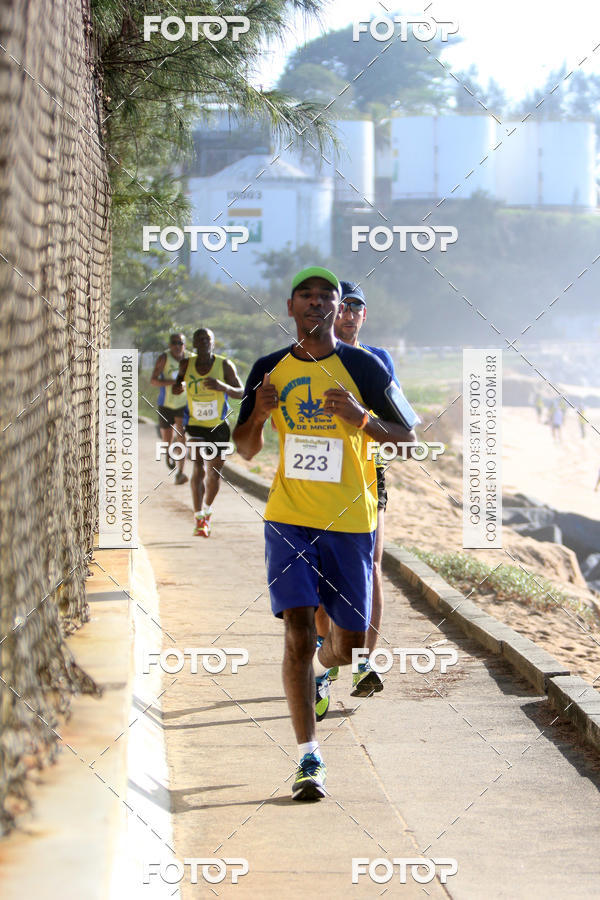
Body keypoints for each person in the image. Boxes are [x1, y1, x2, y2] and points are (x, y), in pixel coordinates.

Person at [233, 267, 417, 801]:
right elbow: (244, 449)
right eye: (306, 296)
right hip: (288, 516)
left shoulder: (365, 366)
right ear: (290, 307)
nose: (316, 303)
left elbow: (407, 439)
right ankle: (308, 757)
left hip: (349, 521)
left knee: (347, 647)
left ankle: (322, 668)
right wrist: (257, 416)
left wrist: (363, 420)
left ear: (339, 309)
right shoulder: (268, 369)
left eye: (326, 297)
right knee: (296, 630)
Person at [314, 281, 403, 698]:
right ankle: (324, 654)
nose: (349, 314)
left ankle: (363, 665)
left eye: (356, 307)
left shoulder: (378, 360)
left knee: (372, 566)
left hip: (369, 472)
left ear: (364, 315)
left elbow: (401, 419)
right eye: (343, 306)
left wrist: (365, 417)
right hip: (322, 475)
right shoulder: (311, 358)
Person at [173, 328, 244, 536]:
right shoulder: (186, 364)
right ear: (194, 343)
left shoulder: (224, 365)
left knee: (214, 474)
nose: (204, 341)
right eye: (200, 339)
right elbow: (177, 385)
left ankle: (207, 510)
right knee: (198, 468)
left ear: (213, 342)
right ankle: (198, 518)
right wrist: (178, 387)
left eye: (208, 339)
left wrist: (223, 387)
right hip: (195, 425)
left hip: (218, 427)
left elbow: (242, 392)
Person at [150, 333, 189, 485]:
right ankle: (168, 452)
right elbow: (153, 381)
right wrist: (173, 382)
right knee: (167, 437)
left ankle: (180, 472)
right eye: (174, 343)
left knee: (181, 435)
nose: (177, 346)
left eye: (180, 343)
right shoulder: (164, 359)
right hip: (166, 404)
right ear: (169, 345)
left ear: (185, 345)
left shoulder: (191, 359)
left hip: (183, 404)